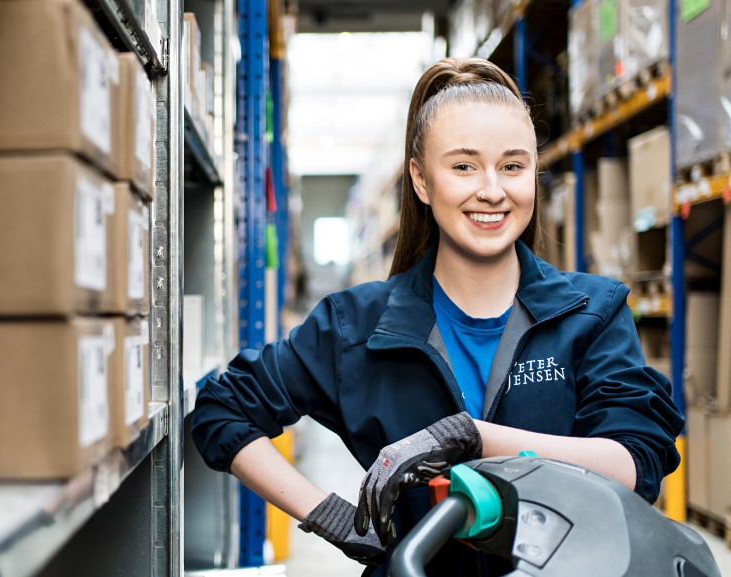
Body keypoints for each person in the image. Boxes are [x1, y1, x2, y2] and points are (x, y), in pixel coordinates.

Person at [191, 57, 683, 576]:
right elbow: (224, 409)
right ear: (422, 181)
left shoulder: (592, 315)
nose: (492, 190)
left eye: (513, 167)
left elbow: (635, 463)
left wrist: (471, 436)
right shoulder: (356, 327)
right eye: (464, 166)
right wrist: (328, 515)